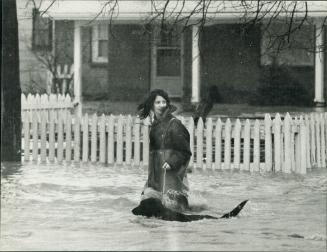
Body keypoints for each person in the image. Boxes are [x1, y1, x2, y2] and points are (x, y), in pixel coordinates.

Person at [137, 89, 192, 211]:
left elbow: (185, 151)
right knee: (147, 200)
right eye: (158, 102)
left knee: (171, 204)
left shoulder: (175, 125)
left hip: (171, 175)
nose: (162, 105)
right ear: (152, 105)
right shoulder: (155, 126)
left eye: (164, 102)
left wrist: (172, 161)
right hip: (156, 176)